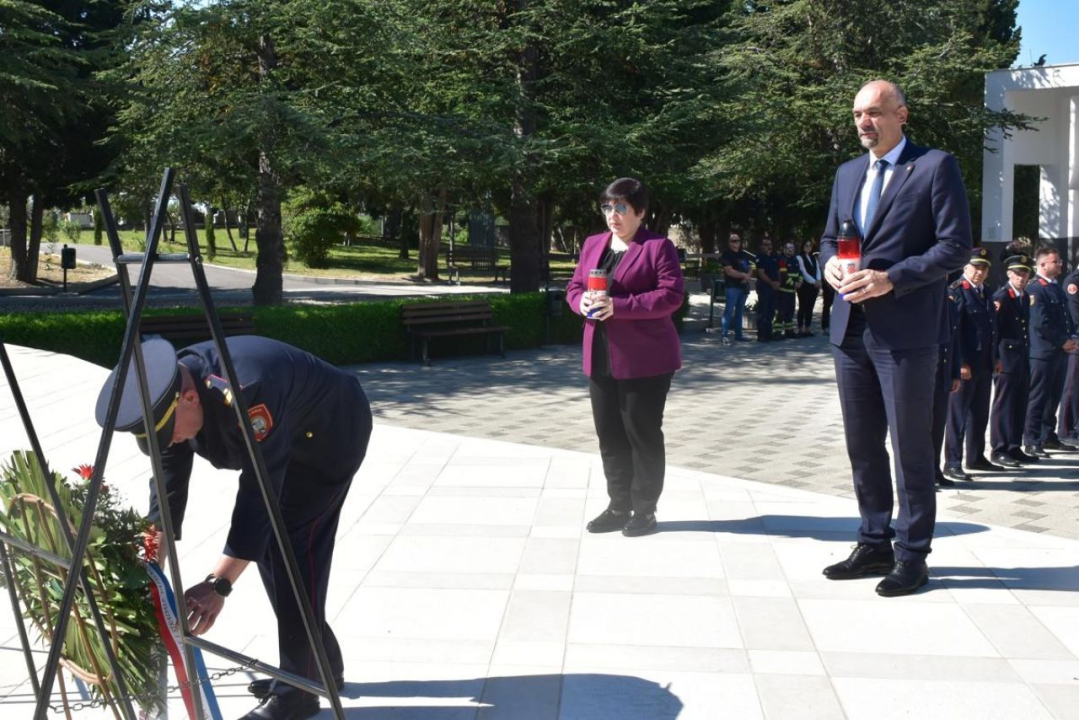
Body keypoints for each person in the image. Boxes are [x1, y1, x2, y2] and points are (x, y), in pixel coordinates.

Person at [96, 336, 372, 720]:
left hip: (328, 434)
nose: (172, 440)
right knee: (268, 551)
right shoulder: (169, 391)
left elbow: (260, 492)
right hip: (288, 436)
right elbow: (167, 484)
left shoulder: (245, 392)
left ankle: (298, 693)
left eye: (169, 433)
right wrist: (149, 566)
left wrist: (219, 583)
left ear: (190, 399)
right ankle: (317, 665)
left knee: (292, 551)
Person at [818, 80, 971, 597]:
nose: (864, 122)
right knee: (862, 446)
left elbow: (955, 247)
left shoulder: (934, 166)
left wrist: (893, 278)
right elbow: (827, 240)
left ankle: (912, 555)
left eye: (875, 113)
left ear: (901, 115)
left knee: (911, 450)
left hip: (906, 334)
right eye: (858, 113)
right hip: (850, 331)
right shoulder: (847, 174)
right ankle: (874, 540)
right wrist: (832, 265)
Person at [566, 177, 684, 538]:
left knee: (642, 434)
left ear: (641, 212)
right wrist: (580, 301)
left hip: (645, 359)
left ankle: (644, 510)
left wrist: (620, 306)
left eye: (621, 208)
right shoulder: (592, 244)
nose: (612, 215)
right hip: (600, 354)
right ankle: (619, 506)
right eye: (607, 207)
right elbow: (574, 287)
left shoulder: (657, 247)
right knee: (610, 436)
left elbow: (670, 296)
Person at [943, 248, 1000, 480]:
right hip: (966, 366)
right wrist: (961, 364)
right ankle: (952, 463)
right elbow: (955, 333)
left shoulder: (986, 291)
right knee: (957, 416)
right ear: (965, 267)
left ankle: (976, 457)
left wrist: (995, 357)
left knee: (979, 413)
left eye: (983, 268)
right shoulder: (957, 292)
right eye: (975, 267)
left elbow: (991, 329)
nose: (979, 271)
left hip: (985, 363)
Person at [1024, 245, 1079, 456]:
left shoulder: (1055, 287)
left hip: (1059, 352)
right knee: (1038, 398)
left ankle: (1048, 435)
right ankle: (1032, 439)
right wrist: (1063, 341)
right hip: (1042, 352)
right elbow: (1041, 322)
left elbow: (1067, 318)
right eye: (1055, 262)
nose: (1059, 265)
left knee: (1053, 396)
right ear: (1043, 264)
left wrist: (1072, 337)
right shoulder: (1035, 289)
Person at [990, 254, 1037, 466]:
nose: (1021, 277)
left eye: (1025, 273)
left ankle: (1014, 446)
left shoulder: (1024, 296)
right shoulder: (1002, 296)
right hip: (1007, 358)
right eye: (1018, 273)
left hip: (1021, 357)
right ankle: (999, 448)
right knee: (1004, 405)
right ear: (1009, 274)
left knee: (1020, 403)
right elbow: (995, 331)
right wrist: (997, 358)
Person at [933, 287, 962, 488]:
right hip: (920, 376)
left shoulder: (950, 303)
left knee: (937, 427)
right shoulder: (917, 302)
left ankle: (934, 470)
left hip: (942, 374)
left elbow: (954, 341)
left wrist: (954, 373)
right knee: (918, 429)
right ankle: (920, 476)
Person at [1056, 259, 1079, 445]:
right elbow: (1075, 315)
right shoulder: (1074, 282)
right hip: (1077, 340)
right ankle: (1066, 429)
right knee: (1072, 387)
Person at [719, 232, 756, 344]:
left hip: (743, 287)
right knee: (728, 312)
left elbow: (750, 267)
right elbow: (729, 271)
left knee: (740, 312)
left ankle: (739, 335)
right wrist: (744, 275)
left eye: (738, 240)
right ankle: (724, 335)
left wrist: (748, 275)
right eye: (733, 241)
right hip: (732, 287)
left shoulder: (743, 254)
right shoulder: (726, 254)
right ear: (729, 243)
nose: (736, 243)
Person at [755, 236, 781, 342]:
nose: (769, 247)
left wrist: (779, 282)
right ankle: (761, 335)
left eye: (770, 244)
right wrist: (771, 282)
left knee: (771, 311)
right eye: (766, 245)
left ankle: (768, 333)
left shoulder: (775, 256)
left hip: (774, 287)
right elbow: (761, 273)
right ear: (761, 246)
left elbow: (779, 271)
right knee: (763, 311)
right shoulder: (760, 257)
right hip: (764, 287)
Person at [796, 239, 822, 336]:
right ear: (803, 246)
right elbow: (803, 271)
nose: (808, 247)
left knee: (810, 307)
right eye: (806, 245)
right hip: (804, 286)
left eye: (810, 246)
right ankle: (800, 328)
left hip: (814, 287)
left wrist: (819, 280)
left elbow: (818, 269)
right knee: (803, 306)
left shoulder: (813, 258)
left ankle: (808, 328)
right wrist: (814, 281)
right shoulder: (799, 257)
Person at [777, 240, 802, 339]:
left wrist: (800, 281)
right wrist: (793, 284)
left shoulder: (795, 260)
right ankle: (777, 332)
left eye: (792, 248)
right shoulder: (782, 260)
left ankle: (789, 331)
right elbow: (783, 275)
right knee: (780, 312)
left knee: (790, 312)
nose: (790, 250)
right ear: (784, 249)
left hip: (792, 292)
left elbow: (799, 273)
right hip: (783, 291)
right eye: (788, 248)